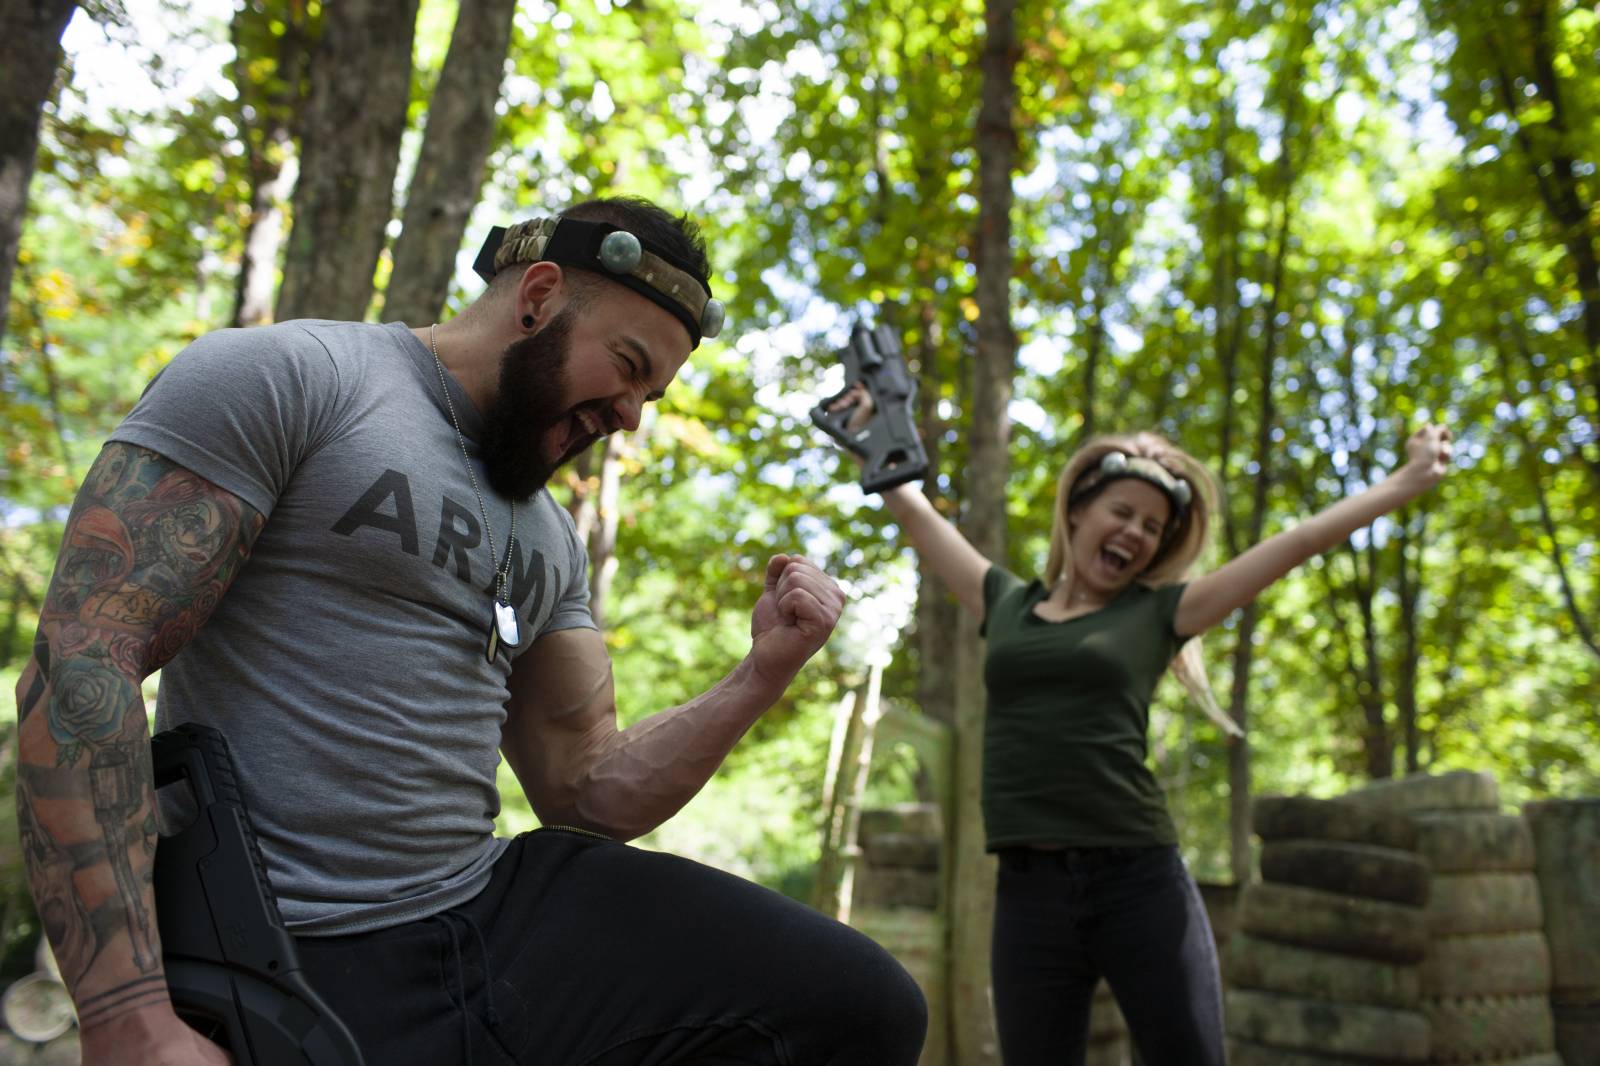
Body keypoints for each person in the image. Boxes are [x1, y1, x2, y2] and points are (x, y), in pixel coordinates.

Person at [15, 197, 928, 1066]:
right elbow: (84, 658)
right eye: (629, 364)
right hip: (294, 938)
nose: (633, 414)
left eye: (654, 391)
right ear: (537, 299)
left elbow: (587, 788)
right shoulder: (295, 378)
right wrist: (126, 1017)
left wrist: (760, 673)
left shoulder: (548, 535)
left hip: (481, 909)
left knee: (857, 1003)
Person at [828, 383, 1451, 1064]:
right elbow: (915, 511)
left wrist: (1406, 482)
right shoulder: (1003, 601)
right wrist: (872, 426)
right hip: (1028, 892)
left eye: (1152, 528)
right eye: (1122, 512)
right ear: (1076, 511)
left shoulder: (1161, 615)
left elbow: (1298, 541)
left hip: (1137, 880)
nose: (1135, 532)